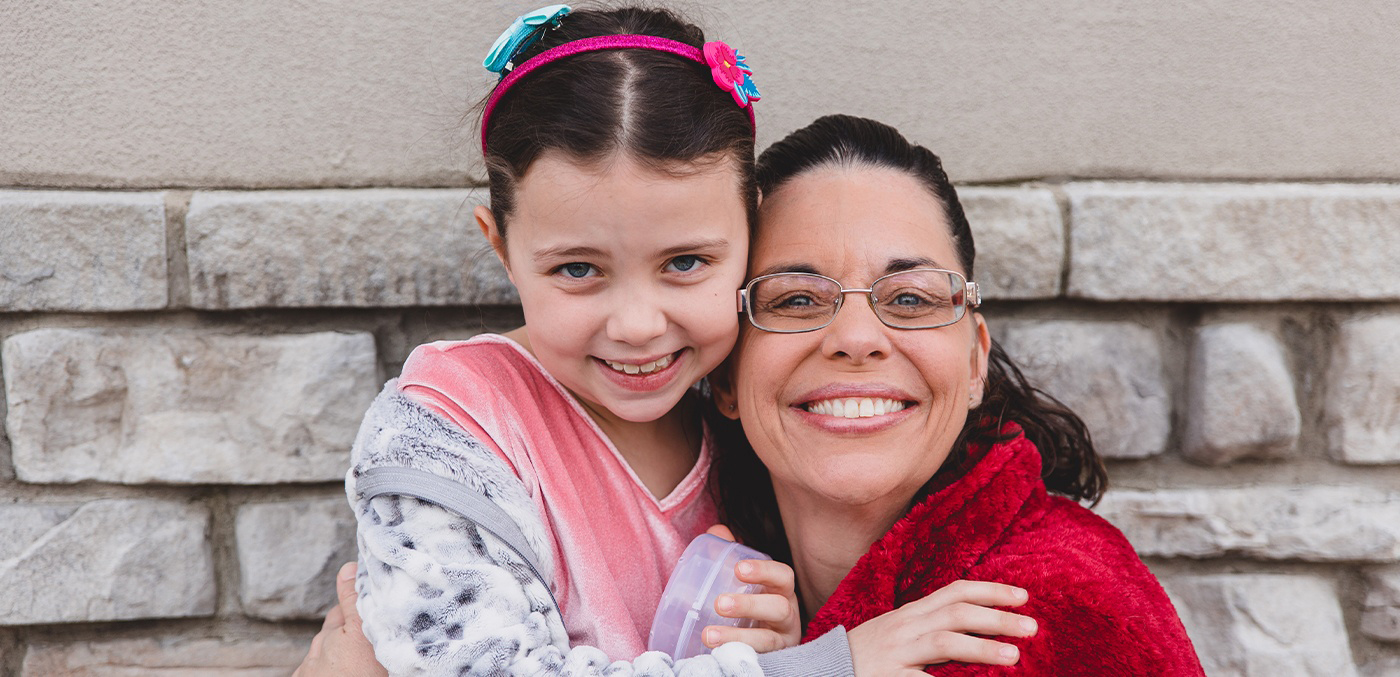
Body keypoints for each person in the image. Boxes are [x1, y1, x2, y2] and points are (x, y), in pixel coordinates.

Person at [339, 5, 1037, 676]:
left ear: (750, 234)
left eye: (684, 263)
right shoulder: (447, 425)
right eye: (578, 269)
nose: (638, 324)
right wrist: (823, 665)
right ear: (502, 248)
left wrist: (774, 642)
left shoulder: (750, 418)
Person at [701, 114, 1205, 674]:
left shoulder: (1051, 608)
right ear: (726, 377)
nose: (856, 339)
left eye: (910, 299)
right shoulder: (705, 604)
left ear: (974, 362)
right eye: (796, 300)